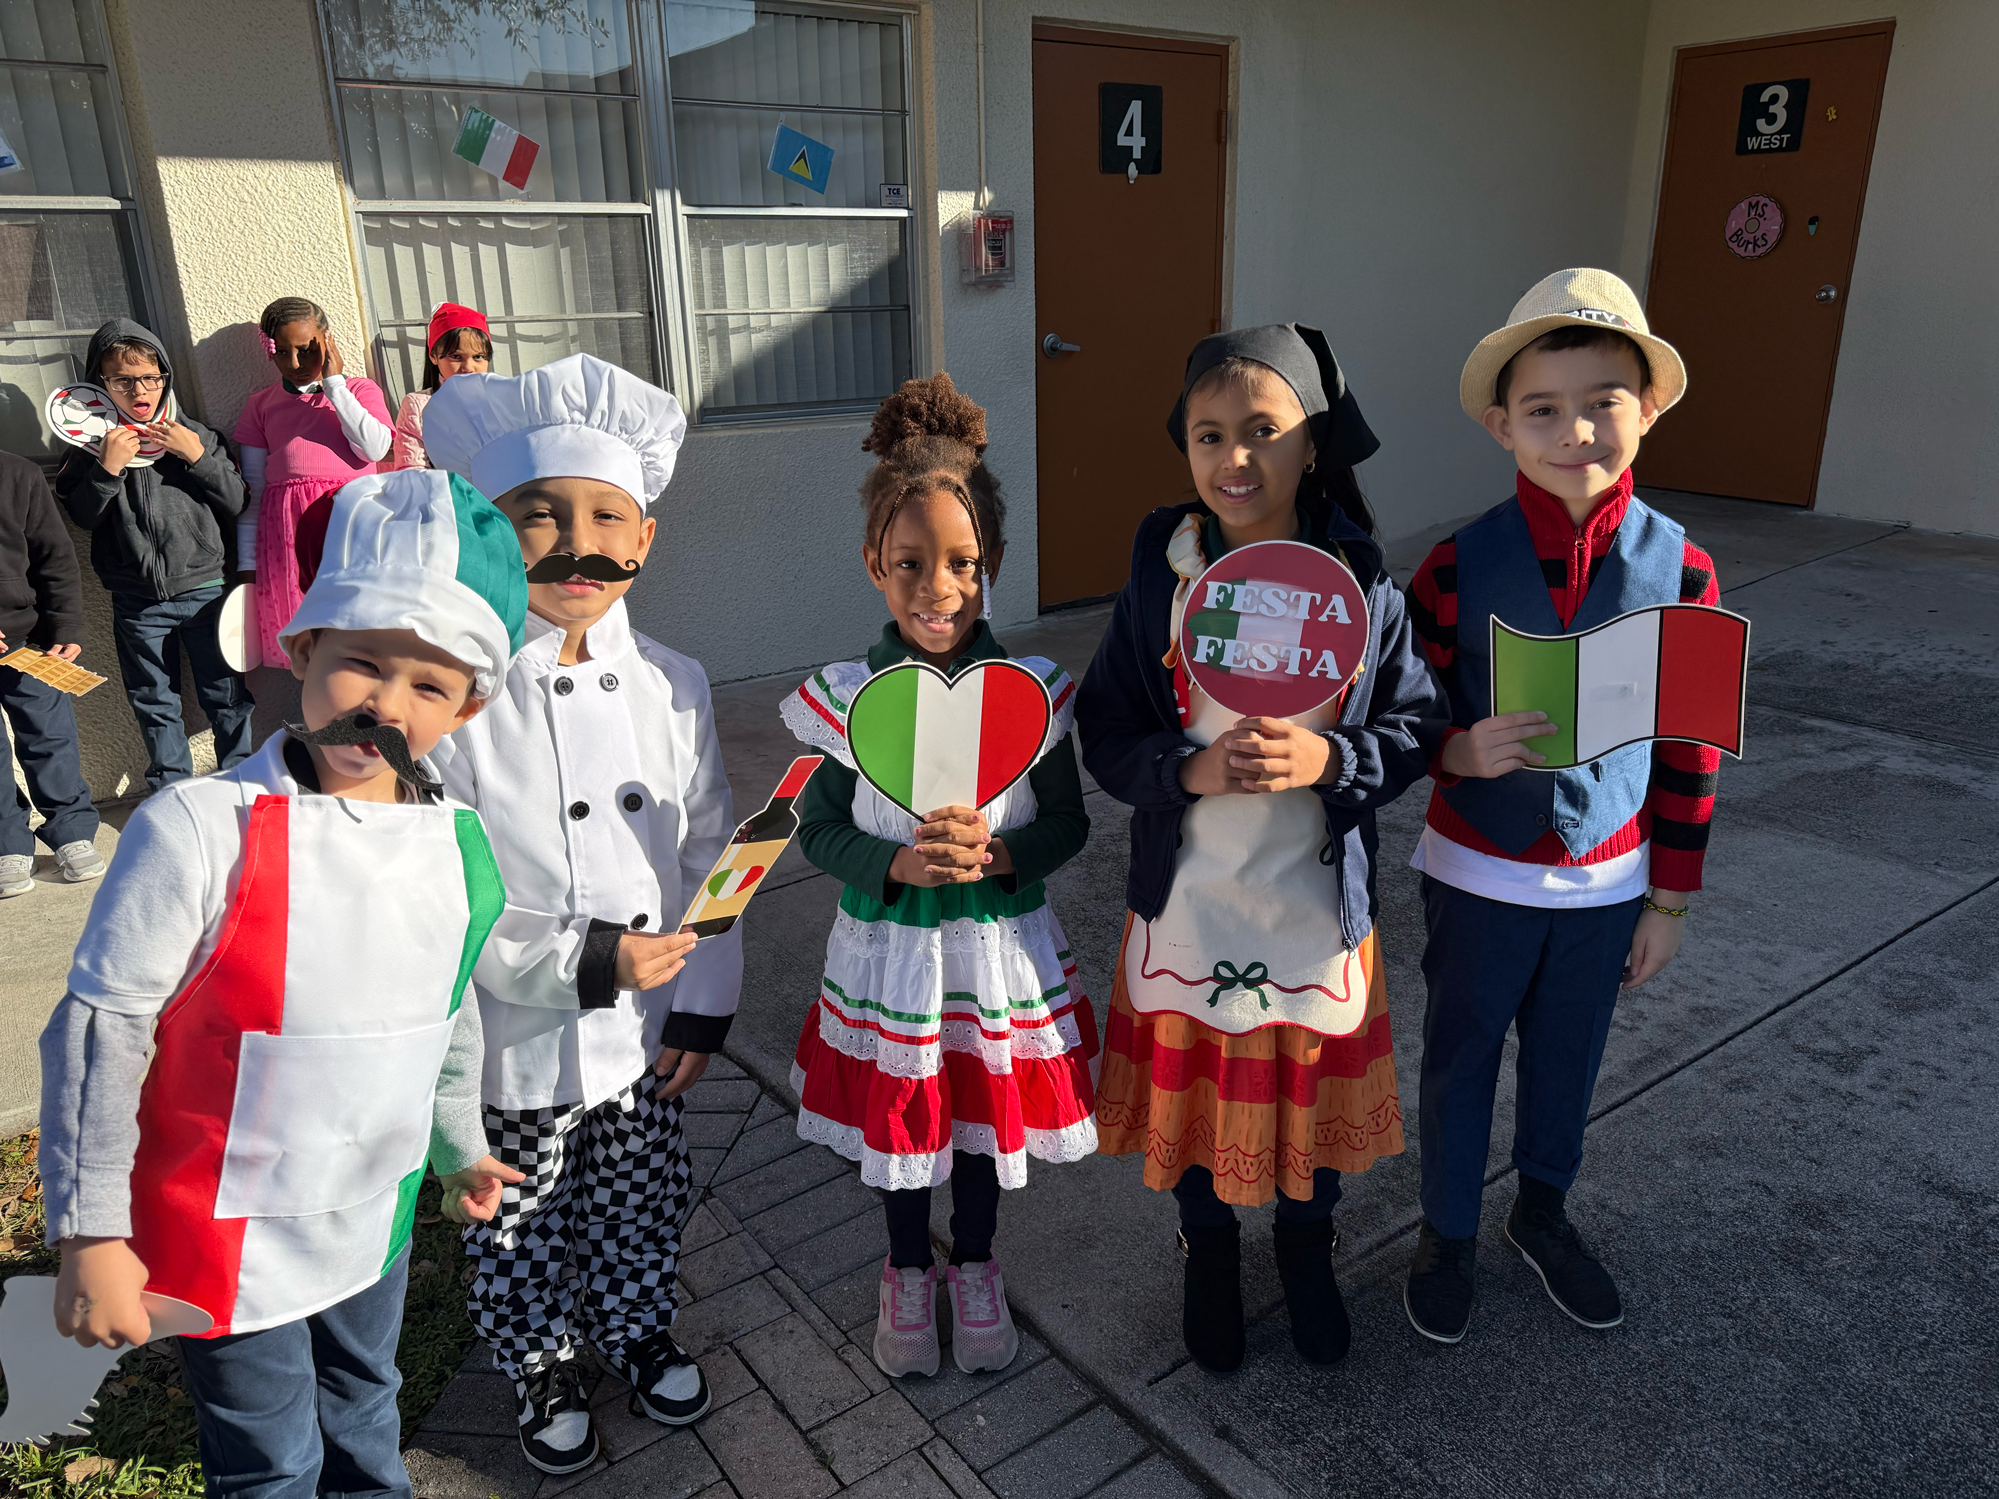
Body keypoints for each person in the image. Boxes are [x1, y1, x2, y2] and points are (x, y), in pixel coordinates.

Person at [39, 466, 529, 1497]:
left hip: (374, 1215)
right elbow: (101, 1029)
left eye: (429, 685)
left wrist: (458, 1147)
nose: (383, 704)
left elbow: (445, 1018)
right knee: (270, 1459)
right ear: (302, 649)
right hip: (225, 1229)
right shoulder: (197, 828)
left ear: (469, 706)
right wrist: (90, 1229)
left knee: (366, 1404)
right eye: (362, 663)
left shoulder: (461, 845)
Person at [1078, 326, 1448, 1372]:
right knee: (1201, 1098)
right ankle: (1206, 1246)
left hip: (1311, 906)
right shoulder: (1165, 575)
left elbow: (1417, 726)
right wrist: (1184, 770)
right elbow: (1105, 725)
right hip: (1190, 900)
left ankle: (1304, 1242)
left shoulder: (1360, 585)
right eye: (1209, 434)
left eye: (1262, 431)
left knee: (1304, 1091)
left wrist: (1331, 757)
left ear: (1312, 444)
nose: (1233, 457)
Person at [422, 353, 742, 1475]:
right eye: (538, 514)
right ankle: (540, 1358)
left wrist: (703, 1003)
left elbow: (710, 853)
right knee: (520, 1218)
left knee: (640, 1196)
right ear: (490, 530)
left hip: (644, 1032)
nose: (574, 543)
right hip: (513, 1033)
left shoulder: (675, 681)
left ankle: (634, 1321)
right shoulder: (456, 698)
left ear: (643, 537)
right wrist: (588, 960)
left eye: (606, 515)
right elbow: (449, 890)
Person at [1401, 268, 1722, 1344]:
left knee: (1569, 1056)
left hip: (1607, 878)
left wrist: (1668, 898)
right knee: (1460, 1054)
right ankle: (1445, 1228)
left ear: (1649, 409)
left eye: (1602, 402)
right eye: (1541, 408)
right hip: (1478, 868)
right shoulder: (1453, 565)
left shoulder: (1683, 569)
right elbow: (1401, 713)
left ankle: (1539, 1209)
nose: (1574, 430)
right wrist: (1454, 746)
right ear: (1501, 424)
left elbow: (1690, 749)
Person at [777, 374, 1096, 1382]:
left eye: (961, 562)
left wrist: (1006, 851)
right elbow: (817, 828)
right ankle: (907, 1267)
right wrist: (895, 859)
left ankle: (978, 1263)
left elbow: (1071, 821)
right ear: (875, 563)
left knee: (976, 1120)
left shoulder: (1034, 697)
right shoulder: (847, 700)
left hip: (995, 955)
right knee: (906, 1113)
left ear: (990, 562)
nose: (937, 587)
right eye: (910, 563)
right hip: (893, 958)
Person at [55, 318, 253, 791]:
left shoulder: (197, 435)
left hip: (206, 591)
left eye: (150, 377)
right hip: (137, 601)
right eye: (122, 381)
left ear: (165, 375)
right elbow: (82, 516)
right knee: (153, 700)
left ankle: (243, 784)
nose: (139, 390)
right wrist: (107, 469)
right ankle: (171, 791)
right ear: (99, 384)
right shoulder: (87, 448)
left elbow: (237, 502)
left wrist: (197, 458)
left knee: (226, 694)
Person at [234, 296, 394, 667]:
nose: (295, 363)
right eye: (283, 352)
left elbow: (375, 448)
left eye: (307, 350)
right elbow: (254, 493)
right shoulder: (261, 405)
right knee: (310, 647)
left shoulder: (359, 391)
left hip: (350, 531)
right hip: (288, 540)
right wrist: (247, 565)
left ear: (327, 341)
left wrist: (335, 384)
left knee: (360, 636)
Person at [0, 448, 102, 895]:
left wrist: (67, 626)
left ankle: (71, 831)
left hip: (28, 641)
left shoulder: (18, 473)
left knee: (50, 736)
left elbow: (55, 558)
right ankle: (6, 844)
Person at [391, 302, 492, 471]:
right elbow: (411, 470)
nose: (468, 367)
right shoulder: (418, 405)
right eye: (456, 356)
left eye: (478, 357)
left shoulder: (500, 401)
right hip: (446, 488)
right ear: (434, 356)